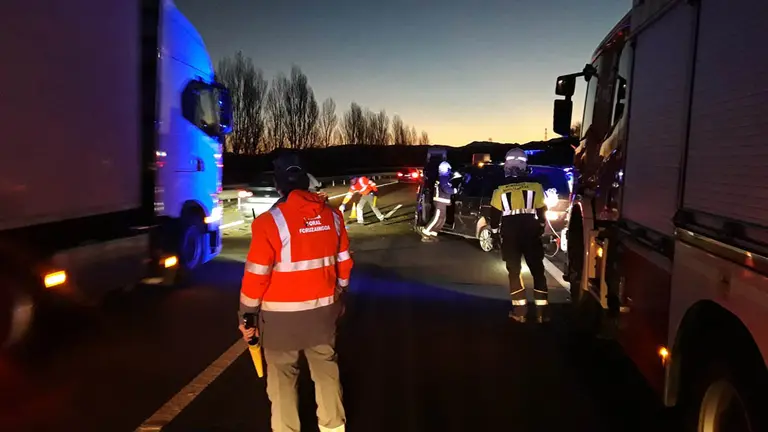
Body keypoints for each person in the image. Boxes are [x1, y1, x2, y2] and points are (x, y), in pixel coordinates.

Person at [238, 154, 353, 432]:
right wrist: (340, 295)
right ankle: (333, 427)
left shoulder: (268, 223)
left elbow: (256, 276)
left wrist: (246, 316)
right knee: (326, 370)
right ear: (306, 180)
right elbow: (345, 263)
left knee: (281, 379)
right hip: (323, 314)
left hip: (279, 322)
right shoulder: (334, 216)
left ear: (278, 186)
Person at [489, 148, 549, 323]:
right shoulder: (536, 186)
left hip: (510, 234)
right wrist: (541, 226)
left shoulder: (500, 189)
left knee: (514, 272)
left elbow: (494, 216)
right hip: (531, 232)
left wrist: (494, 234)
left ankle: (520, 312)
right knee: (538, 270)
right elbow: (542, 211)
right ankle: (542, 313)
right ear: (525, 165)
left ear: (507, 166)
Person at [420, 161, 457, 238]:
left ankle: (433, 232)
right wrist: (454, 190)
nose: (449, 171)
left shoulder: (443, 177)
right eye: (449, 169)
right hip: (440, 201)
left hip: (442, 201)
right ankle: (426, 231)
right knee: (437, 217)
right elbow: (446, 188)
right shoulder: (443, 178)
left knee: (442, 218)